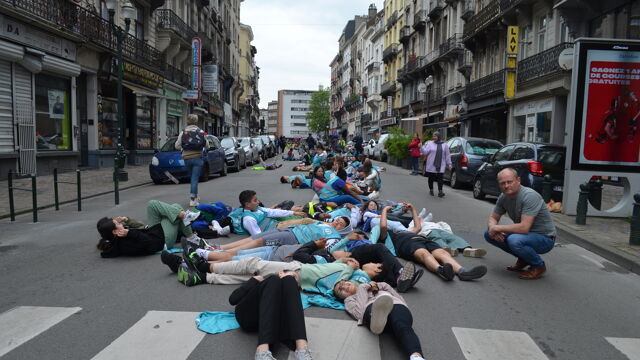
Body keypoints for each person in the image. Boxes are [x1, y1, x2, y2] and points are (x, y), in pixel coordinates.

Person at [379, 203, 487, 282]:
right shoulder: (388, 236)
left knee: (442, 253)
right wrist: (385, 210)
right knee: (424, 254)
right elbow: (383, 226)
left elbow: (418, 226)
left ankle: (462, 271)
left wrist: (413, 209)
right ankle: (441, 270)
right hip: (407, 244)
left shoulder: (408, 231)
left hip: (422, 239)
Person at [484, 168, 556, 280]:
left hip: (545, 238)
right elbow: (493, 217)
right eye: (503, 183)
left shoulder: (529, 196)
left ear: (518, 180)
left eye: (509, 182)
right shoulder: (503, 197)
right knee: (489, 233)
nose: (506, 186)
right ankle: (524, 258)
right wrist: (493, 228)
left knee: (514, 240)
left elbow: (524, 228)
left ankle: (539, 266)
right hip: (525, 236)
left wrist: (497, 227)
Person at [230, 273, 313, 360]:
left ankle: (302, 350)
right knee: (274, 280)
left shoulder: (285, 284)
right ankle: (262, 351)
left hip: (272, 323)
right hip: (247, 316)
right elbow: (233, 299)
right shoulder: (266, 280)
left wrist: (293, 278)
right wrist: (254, 280)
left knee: (289, 280)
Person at [339, 281, 427, 360]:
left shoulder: (377, 286)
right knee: (371, 309)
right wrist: (363, 288)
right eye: (340, 289)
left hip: (395, 305)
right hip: (371, 308)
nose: (344, 286)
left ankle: (416, 357)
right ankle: (376, 318)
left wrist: (376, 286)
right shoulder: (349, 300)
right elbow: (359, 314)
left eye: (344, 283)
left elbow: (396, 295)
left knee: (402, 325)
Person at [96, 200, 202, 258]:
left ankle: (186, 219)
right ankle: (191, 236)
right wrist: (130, 233)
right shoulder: (123, 244)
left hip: (153, 232)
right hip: (161, 241)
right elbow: (147, 244)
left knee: (152, 205)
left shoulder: (119, 235)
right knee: (176, 208)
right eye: (117, 223)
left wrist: (126, 220)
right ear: (114, 231)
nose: (119, 223)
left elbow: (141, 227)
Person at [228, 190, 306, 236]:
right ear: (247, 204)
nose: (258, 202)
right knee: (305, 225)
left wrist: (293, 213)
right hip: (277, 230)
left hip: (280, 225)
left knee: (305, 222)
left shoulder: (259, 209)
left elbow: (273, 212)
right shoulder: (248, 219)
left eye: (257, 199)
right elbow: (258, 236)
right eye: (255, 200)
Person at [175, 114, 210, 206]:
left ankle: (195, 196)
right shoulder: (201, 132)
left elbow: (177, 146)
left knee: (192, 178)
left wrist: (184, 149)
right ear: (196, 122)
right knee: (195, 178)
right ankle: (193, 199)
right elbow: (207, 146)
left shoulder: (183, 132)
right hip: (197, 158)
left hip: (186, 158)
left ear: (188, 121)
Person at [421, 131, 451, 197]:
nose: (434, 137)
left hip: (441, 164)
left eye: (435, 136)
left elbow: (447, 155)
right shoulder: (430, 143)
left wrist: (449, 164)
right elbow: (425, 152)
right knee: (431, 177)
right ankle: (431, 190)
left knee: (440, 177)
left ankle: (440, 191)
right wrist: (421, 147)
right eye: (433, 136)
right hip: (432, 163)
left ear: (439, 136)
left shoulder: (444, 145)